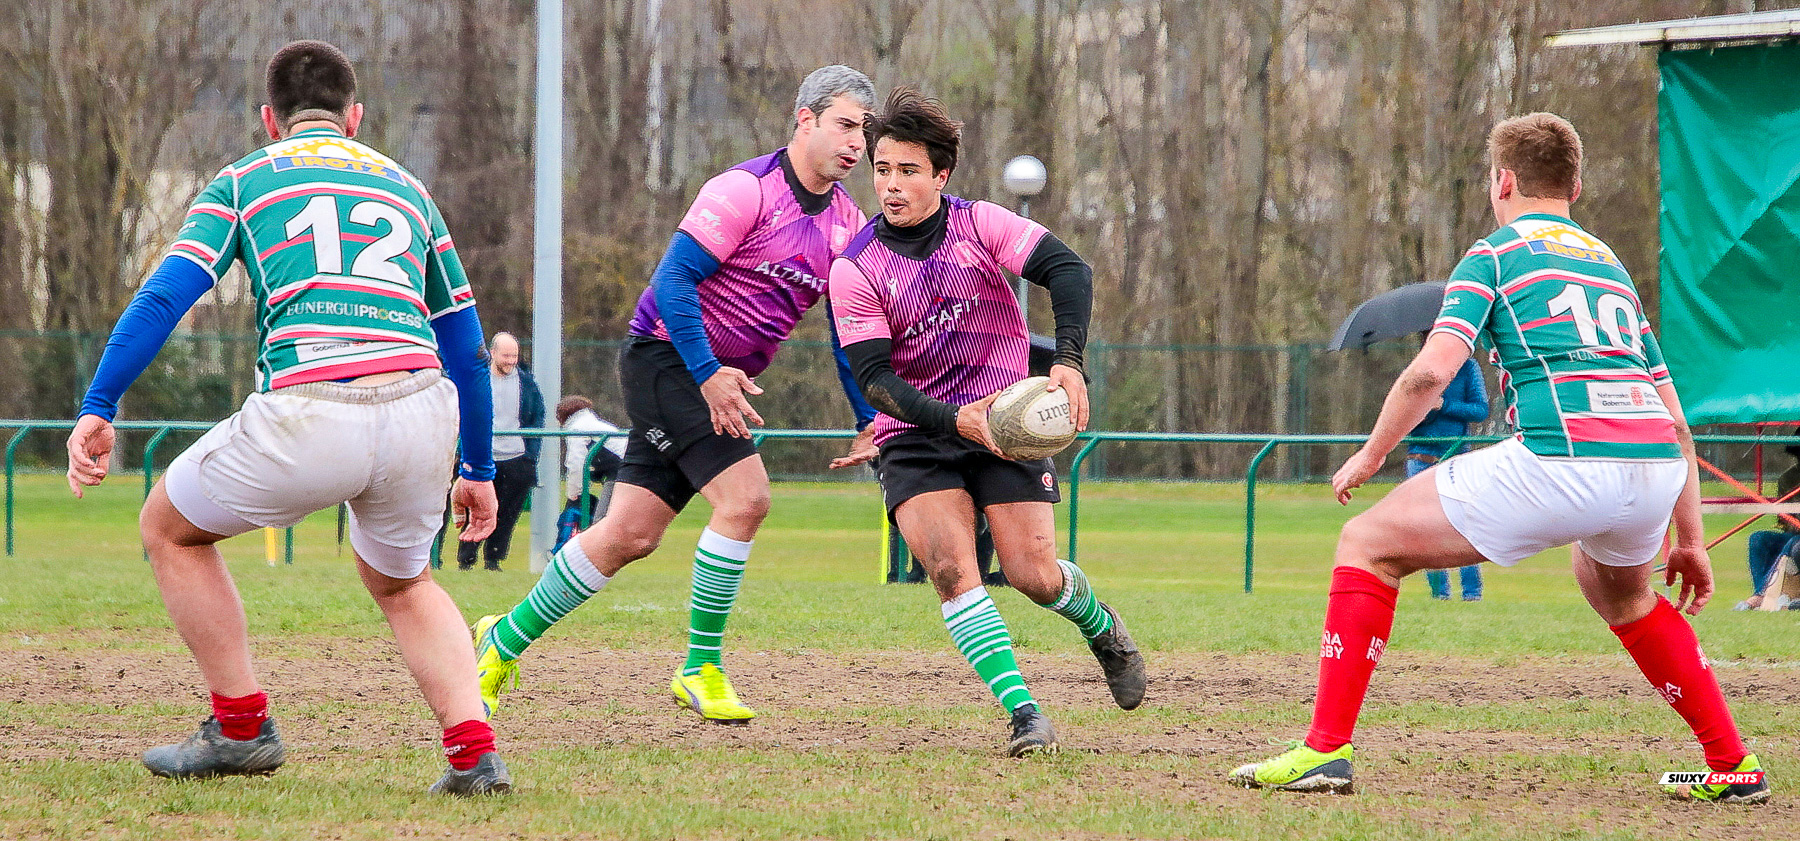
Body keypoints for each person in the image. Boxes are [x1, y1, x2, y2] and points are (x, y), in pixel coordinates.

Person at [1228, 113, 1768, 804]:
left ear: (1502, 181)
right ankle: (1731, 762)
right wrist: (1690, 537)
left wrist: (1370, 454)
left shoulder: (1493, 256)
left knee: (1365, 542)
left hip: (1564, 456)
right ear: (1574, 184)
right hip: (1654, 465)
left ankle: (1323, 750)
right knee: (1624, 593)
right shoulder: (1611, 268)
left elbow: (1429, 374)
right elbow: (1676, 420)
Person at [64, 40, 511, 795]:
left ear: (270, 119)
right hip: (419, 408)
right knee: (405, 583)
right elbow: (465, 345)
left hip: (312, 406)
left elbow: (166, 297)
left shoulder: (246, 179)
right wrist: (478, 467)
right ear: (355, 117)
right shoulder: (409, 189)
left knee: (168, 526)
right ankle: (475, 753)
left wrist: (99, 406)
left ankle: (240, 729)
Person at [471, 65, 879, 723]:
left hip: (709, 379)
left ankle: (502, 637)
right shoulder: (744, 189)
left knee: (627, 533)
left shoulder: (845, 224)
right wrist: (709, 372)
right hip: (667, 362)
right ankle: (701, 666)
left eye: (865, 130)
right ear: (804, 119)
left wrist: (868, 416)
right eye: (846, 124)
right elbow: (673, 282)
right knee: (746, 501)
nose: (858, 143)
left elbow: (846, 328)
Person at [827, 87, 1146, 757]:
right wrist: (953, 420)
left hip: (1007, 423)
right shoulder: (856, 266)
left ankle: (1103, 628)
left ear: (941, 175)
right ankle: (1025, 712)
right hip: (917, 432)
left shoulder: (980, 225)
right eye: (882, 169)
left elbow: (1068, 269)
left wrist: (1069, 362)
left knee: (1035, 575)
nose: (891, 184)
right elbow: (876, 380)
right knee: (949, 566)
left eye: (908, 170)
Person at [1403, 335, 1489, 601]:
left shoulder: (1467, 368)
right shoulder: (1415, 370)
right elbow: (1401, 417)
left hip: (1456, 459)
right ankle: (1439, 594)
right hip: (1420, 460)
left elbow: (1480, 410)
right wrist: (1424, 410)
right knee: (1426, 529)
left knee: (1464, 526)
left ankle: (1471, 595)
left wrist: (1444, 405)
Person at [456, 331, 544, 571]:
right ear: (492, 353)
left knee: (508, 514)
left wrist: (530, 455)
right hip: (484, 459)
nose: (510, 361)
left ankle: (493, 560)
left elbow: (537, 416)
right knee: (477, 509)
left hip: (517, 459)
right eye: (506, 355)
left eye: (514, 356)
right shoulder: (478, 379)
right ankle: (466, 559)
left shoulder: (527, 383)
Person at [553, 395, 626, 551]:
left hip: (621, 472)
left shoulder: (577, 428)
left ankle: (591, 560)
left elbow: (576, 463)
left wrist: (574, 493)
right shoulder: (596, 424)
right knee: (606, 521)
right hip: (626, 470)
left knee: (601, 522)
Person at [1735, 444, 1800, 610]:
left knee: (1793, 544)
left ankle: (1766, 594)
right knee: (1758, 538)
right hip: (1794, 532)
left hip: (1795, 540)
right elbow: (1783, 518)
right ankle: (1759, 593)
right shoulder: (1787, 478)